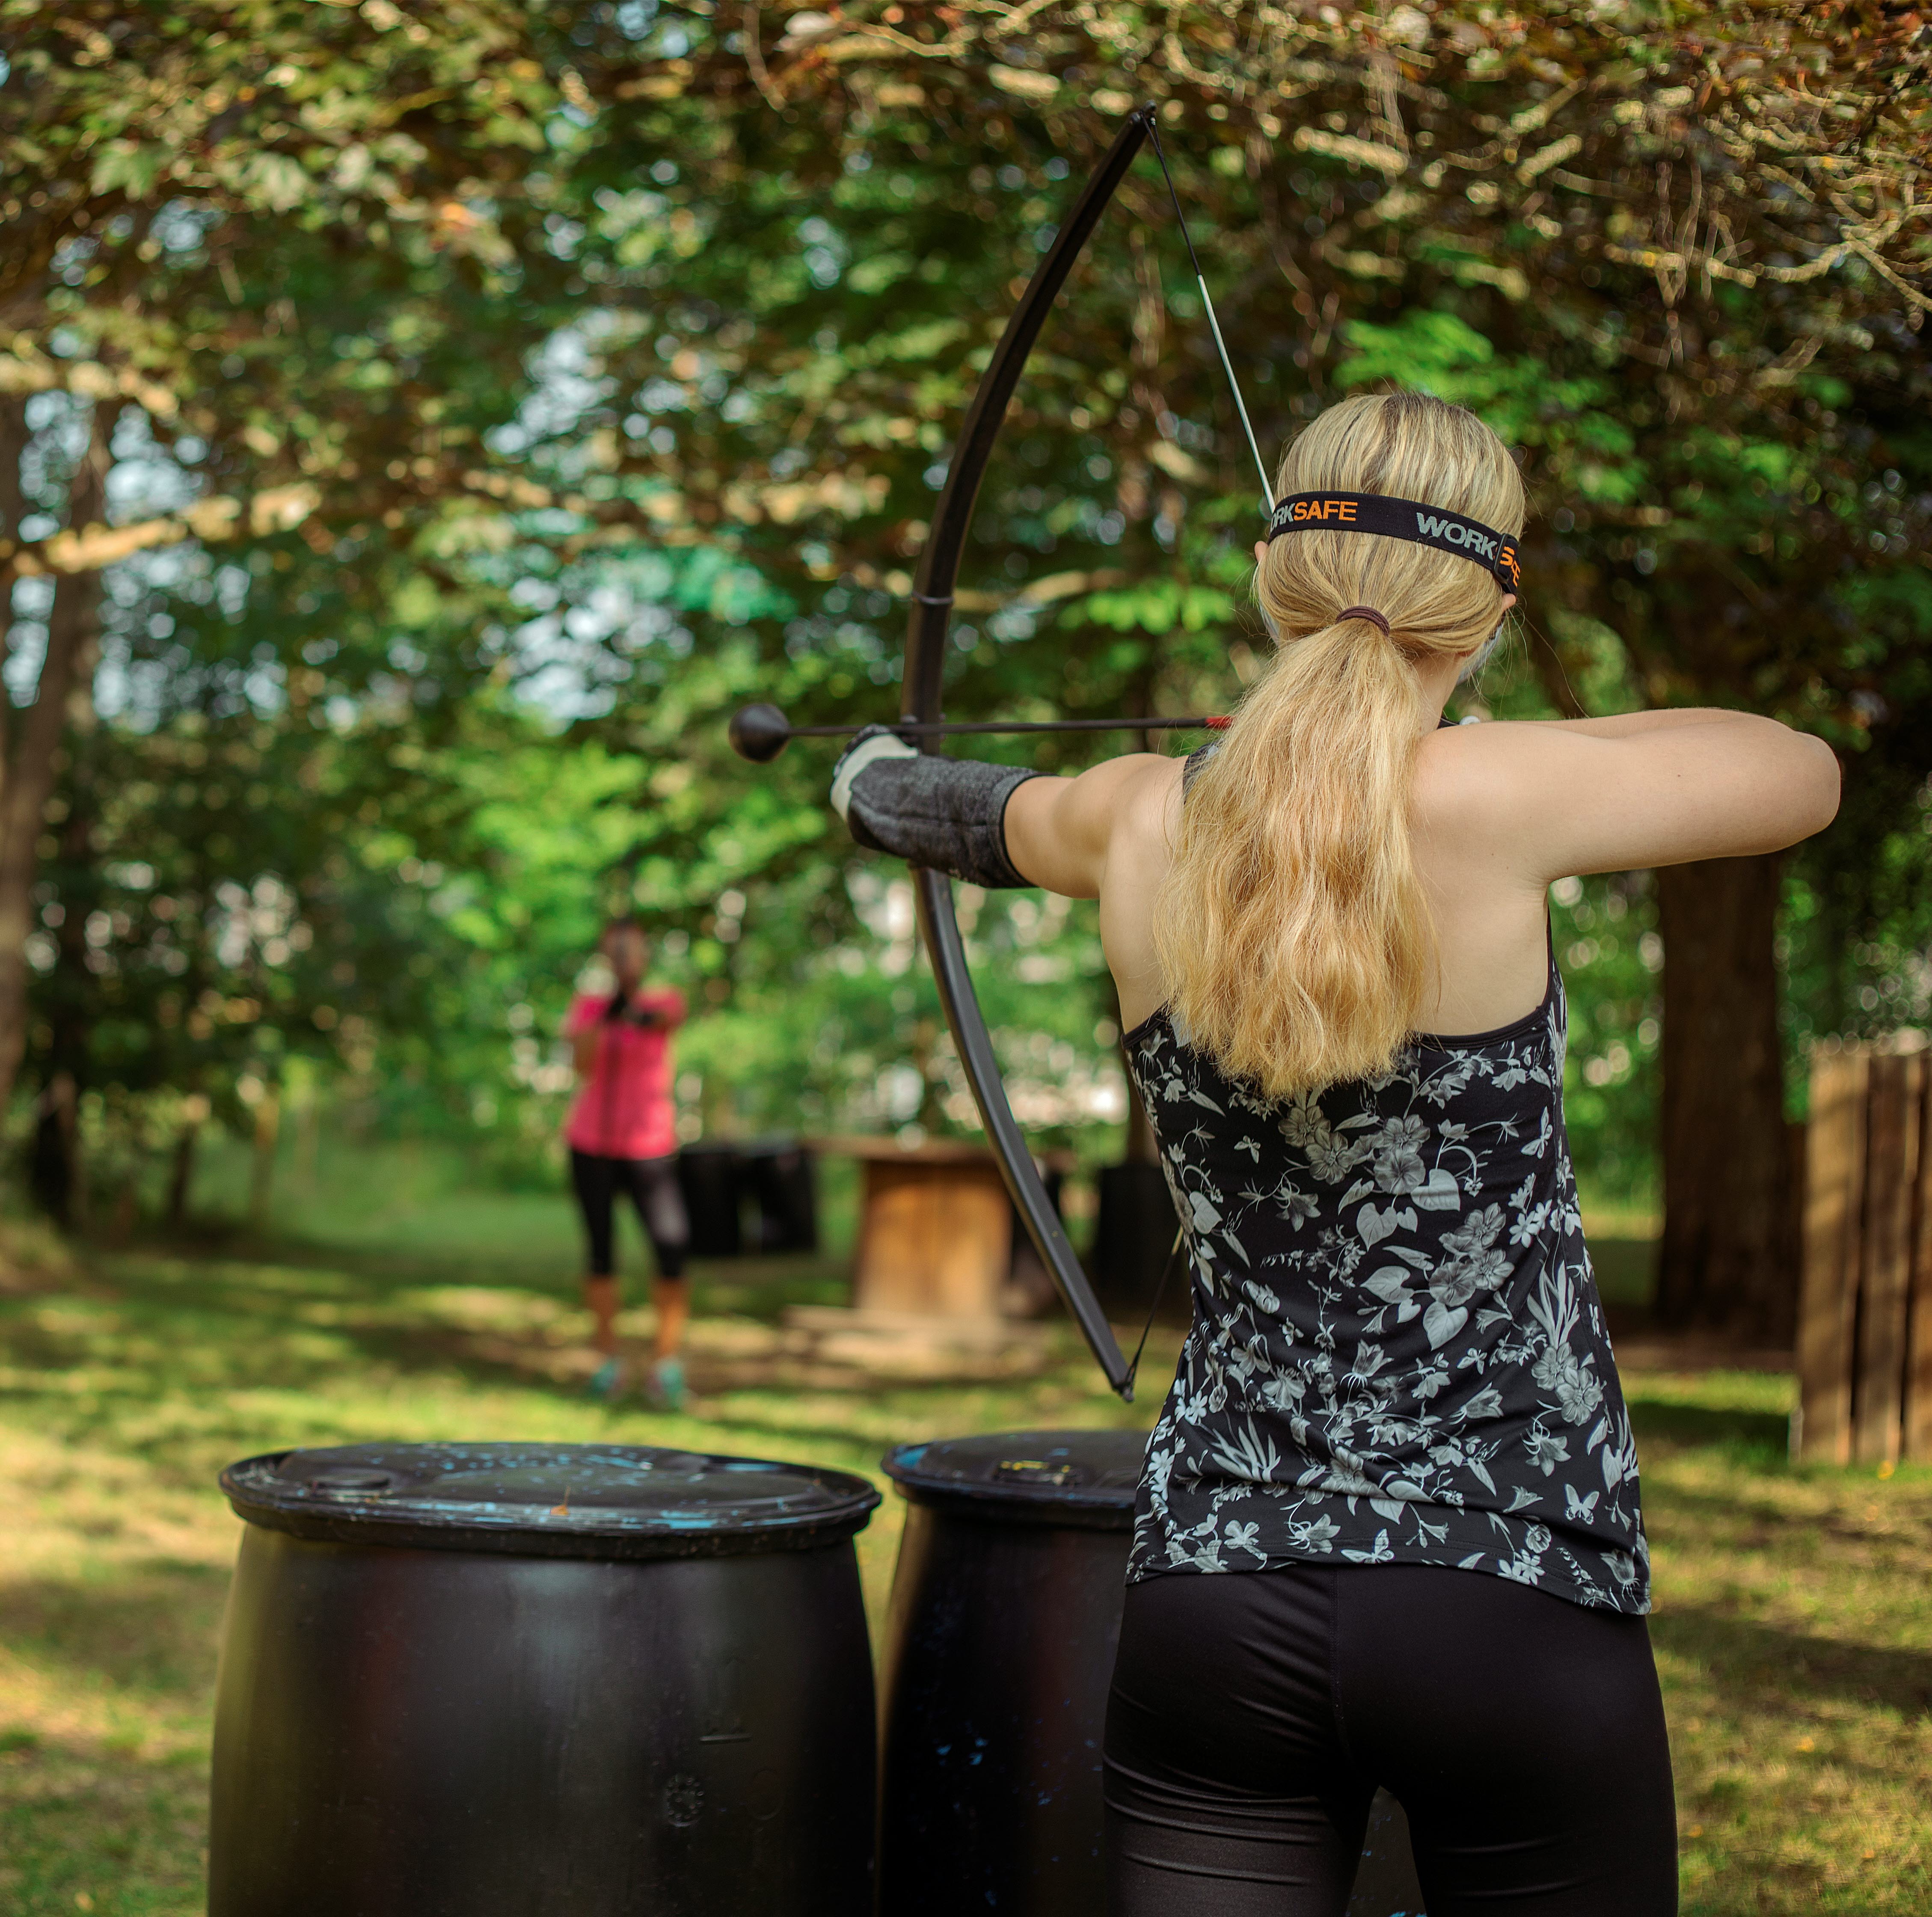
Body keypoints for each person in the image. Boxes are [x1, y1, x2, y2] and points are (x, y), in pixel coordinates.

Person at [829, 390, 1840, 1916]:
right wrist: (1460, 723)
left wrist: (862, 780)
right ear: (1491, 605)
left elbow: (966, 813)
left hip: (1216, 1591)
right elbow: (1797, 767)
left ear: (1268, 577)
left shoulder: (1134, 816)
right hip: (1508, 1581)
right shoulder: (1503, 794)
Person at [563, 916, 692, 1409]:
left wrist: (632, 1008)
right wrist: (606, 1015)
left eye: (631, 950)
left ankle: (666, 1364)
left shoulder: (664, 1000)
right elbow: (581, 1063)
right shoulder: (590, 1007)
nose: (624, 959)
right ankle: (608, 1360)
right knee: (601, 1250)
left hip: (650, 1145)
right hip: (591, 1143)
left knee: (671, 1246)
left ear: (645, 953)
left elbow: (663, 1022)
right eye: (615, 951)